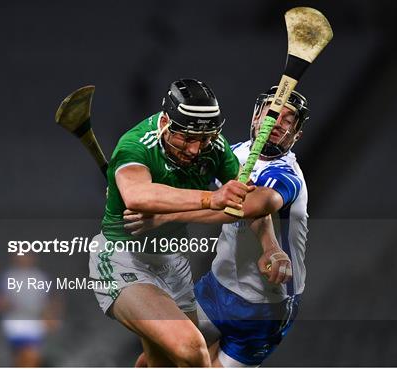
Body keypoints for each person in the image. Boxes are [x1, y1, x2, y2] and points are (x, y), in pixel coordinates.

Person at [125, 87, 309, 367]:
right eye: (272, 113)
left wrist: (164, 216)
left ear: (297, 135)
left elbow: (247, 207)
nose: (275, 122)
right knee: (151, 362)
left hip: (261, 308)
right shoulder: (235, 154)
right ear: (257, 115)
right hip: (215, 288)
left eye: (287, 120)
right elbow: (187, 182)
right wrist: (137, 186)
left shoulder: (285, 175)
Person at [88, 78, 258, 367]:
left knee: (162, 362)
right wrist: (210, 198)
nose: (195, 149)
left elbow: (250, 203)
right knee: (191, 348)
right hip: (123, 261)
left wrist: (270, 246)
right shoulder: (136, 144)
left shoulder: (213, 146)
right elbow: (137, 195)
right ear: (166, 121)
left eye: (203, 139)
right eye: (187, 138)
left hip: (172, 264)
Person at [0, 254, 62, 367]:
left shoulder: (40, 277)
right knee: (20, 357)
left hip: (35, 322)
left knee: (31, 356)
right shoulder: (8, 277)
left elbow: (52, 299)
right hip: (15, 322)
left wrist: (51, 317)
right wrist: (5, 304)